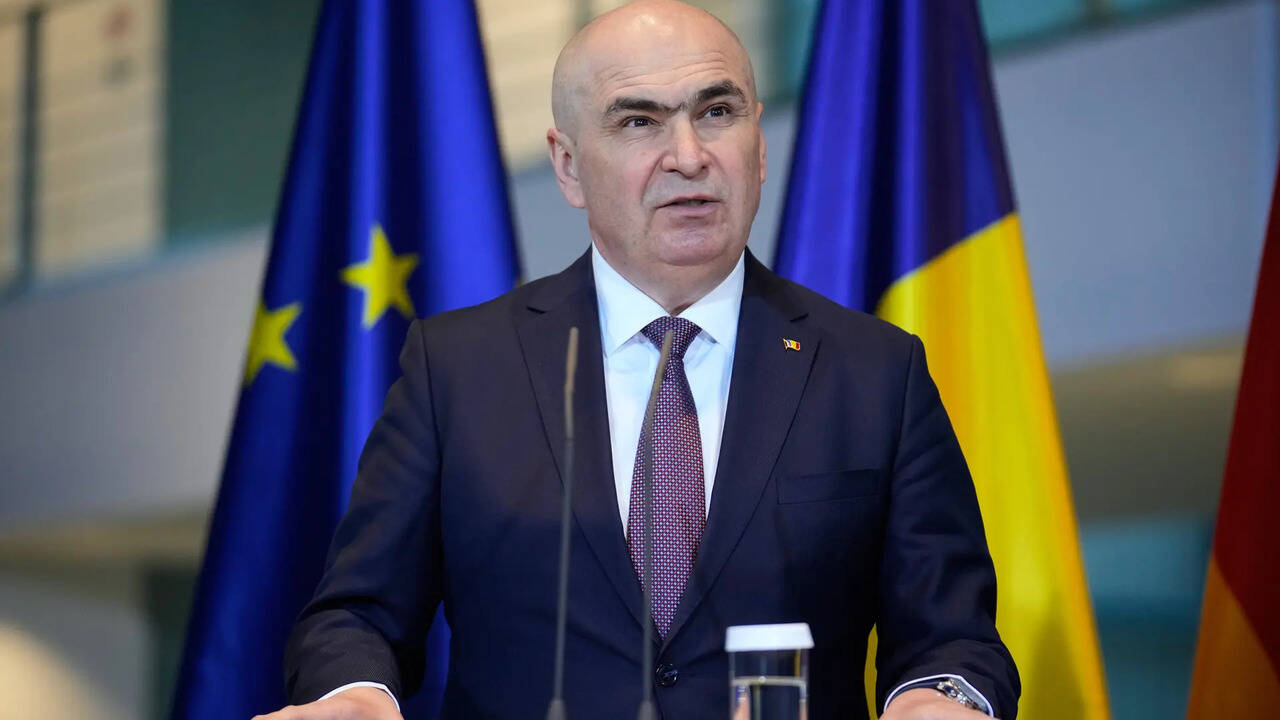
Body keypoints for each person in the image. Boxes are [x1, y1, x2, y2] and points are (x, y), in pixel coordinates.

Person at [257, 1, 1019, 718]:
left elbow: (952, 637)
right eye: (638, 122)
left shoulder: (875, 372)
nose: (688, 156)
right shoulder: (457, 369)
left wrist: (938, 695)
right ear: (568, 166)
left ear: (758, 145)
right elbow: (356, 615)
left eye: (716, 113)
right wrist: (355, 694)